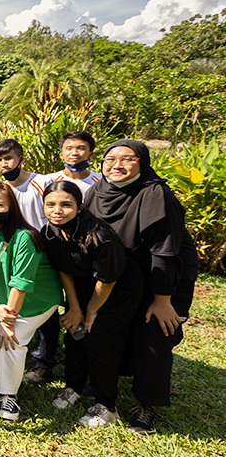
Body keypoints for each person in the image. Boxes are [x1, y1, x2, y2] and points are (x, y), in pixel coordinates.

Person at [84, 140, 199, 435]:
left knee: (153, 337)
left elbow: (166, 251)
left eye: (127, 159)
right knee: (113, 331)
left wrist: (163, 299)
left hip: (161, 278)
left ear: (143, 162)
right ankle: (112, 385)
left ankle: (145, 404)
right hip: (120, 278)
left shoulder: (157, 195)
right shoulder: (96, 191)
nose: (116, 165)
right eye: (110, 159)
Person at [0, 180, 63, 421]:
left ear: (11, 207)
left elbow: (22, 283)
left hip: (34, 301)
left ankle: (9, 396)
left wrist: (7, 322)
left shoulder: (24, 237)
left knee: (11, 340)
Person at [41, 181, 141, 427]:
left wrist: (90, 312)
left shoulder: (99, 236)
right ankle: (74, 388)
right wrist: (74, 309)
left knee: (97, 340)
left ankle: (107, 405)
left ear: (80, 207)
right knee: (74, 333)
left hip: (118, 289)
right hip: (84, 286)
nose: (57, 210)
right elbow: (64, 270)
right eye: (50, 204)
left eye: (66, 204)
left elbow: (107, 281)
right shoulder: (49, 232)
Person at [0, 138, 59, 385]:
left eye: (8, 158)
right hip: (14, 254)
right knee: (21, 302)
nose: (3, 164)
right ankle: (30, 355)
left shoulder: (42, 183)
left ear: (21, 159)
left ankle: (45, 363)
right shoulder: (1, 187)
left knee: (46, 308)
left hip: (45, 254)